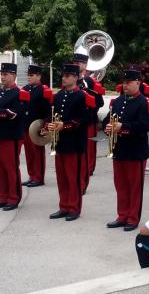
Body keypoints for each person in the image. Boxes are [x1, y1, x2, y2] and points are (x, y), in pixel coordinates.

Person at [103, 68, 149, 231]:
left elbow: (145, 126)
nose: (125, 86)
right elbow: (106, 120)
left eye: (129, 83)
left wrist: (123, 127)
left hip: (136, 151)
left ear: (138, 83)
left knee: (135, 186)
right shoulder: (118, 101)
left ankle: (133, 218)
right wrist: (108, 127)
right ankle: (122, 215)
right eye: (124, 83)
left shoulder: (144, 103)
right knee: (120, 185)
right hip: (119, 149)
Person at [47, 64, 94, 221]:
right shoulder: (59, 95)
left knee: (73, 177)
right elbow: (52, 115)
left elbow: (86, 119)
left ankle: (74, 208)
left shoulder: (82, 96)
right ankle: (63, 206)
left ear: (75, 77)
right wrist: (48, 125)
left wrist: (65, 125)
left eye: (67, 76)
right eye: (63, 76)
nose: (64, 78)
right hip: (60, 142)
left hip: (75, 142)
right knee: (62, 177)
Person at [0, 63, 29, 211]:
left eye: (6, 74)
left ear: (14, 75)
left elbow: (18, 113)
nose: (2, 77)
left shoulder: (20, 93)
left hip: (11, 136)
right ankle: (2, 197)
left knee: (10, 168)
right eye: (1, 74)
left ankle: (13, 198)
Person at [72, 53, 105, 192]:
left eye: (80, 63)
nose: (77, 65)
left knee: (87, 151)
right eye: (75, 63)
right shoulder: (69, 80)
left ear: (85, 65)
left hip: (88, 121)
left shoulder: (90, 82)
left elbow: (99, 102)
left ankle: (85, 179)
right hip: (73, 122)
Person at [21, 64, 53, 187]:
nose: (29, 78)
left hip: (37, 126)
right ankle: (31, 175)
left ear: (39, 76)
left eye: (31, 75)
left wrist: (46, 125)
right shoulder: (25, 89)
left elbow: (47, 110)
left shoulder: (44, 90)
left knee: (37, 153)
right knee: (29, 153)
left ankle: (38, 178)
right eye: (28, 75)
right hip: (26, 126)